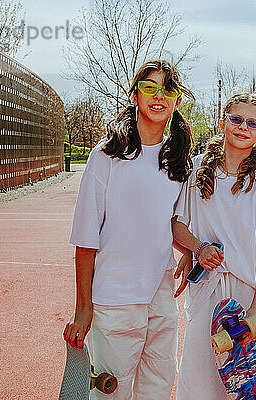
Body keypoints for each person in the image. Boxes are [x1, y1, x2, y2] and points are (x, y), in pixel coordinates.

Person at [63, 60, 193, 400]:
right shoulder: (106, 156)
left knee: (158, 388)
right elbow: (86, 238)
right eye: (149, 87)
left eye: (168, 89)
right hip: (116, 298)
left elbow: (172, 224)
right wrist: (83, 306)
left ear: (178, 100)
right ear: (135, 95)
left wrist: (193, 250)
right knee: (111, 392)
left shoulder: (177, 160)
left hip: (161, 298)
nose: (159, 95)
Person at [172, 92, 256, 399]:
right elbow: (176, 224)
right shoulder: (197, 168)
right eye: (236, 119)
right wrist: (198, 249)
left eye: (252, 123)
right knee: (199, 381)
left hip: (253, 291)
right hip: (208, 291)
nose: (243, 127)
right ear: (222, 119)